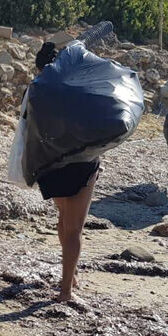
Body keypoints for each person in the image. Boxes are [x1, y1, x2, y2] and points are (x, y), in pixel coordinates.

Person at [32, 42, 99, 304]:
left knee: (63, 218)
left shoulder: (37, 91)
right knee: (74, 229)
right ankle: (66, 290)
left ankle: (72, 277)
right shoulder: (81, 89)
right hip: (82, 162)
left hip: (50, 162)